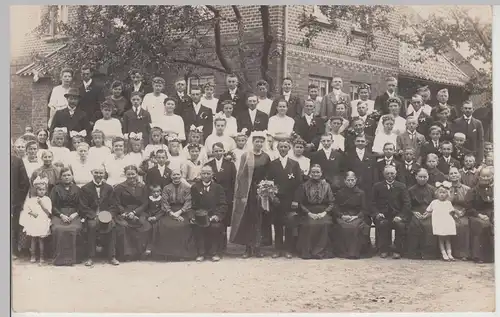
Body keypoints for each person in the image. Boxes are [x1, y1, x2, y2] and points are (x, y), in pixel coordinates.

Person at [230, 132, 271, 258]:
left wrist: (266, 189)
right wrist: (241, 194)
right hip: (248, 191)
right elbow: (241, 176)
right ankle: (247, 248)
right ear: (252, 142)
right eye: (256, 141)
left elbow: (268, 174)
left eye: (260, 142)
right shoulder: (246, 156)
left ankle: (258, 247)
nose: (258, 144)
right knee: (247, 219)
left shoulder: (266, 157)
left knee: (259, 219)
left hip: (261, 191)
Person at [266, 140, 302, 259]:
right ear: (277, 148)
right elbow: (268, 182)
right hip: (277, 199)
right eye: (281, 146)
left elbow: (298, 184)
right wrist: (272, 197)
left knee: (289, 224)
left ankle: (288, 249)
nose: (283, 149)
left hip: (290, 199)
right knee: (277, 224)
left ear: (289, 148)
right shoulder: (272, 164)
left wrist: (296, 200)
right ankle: (278, 249)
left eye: (285, 147)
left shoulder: (294, 164)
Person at [79, 164, 120, 266]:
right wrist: (93, 216)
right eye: (96, 172)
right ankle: (91, 257)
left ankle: (111, 256)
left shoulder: (109, 188)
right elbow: (83, 206)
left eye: (101, 173)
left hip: (106, 215)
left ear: (104, 174)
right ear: (92, 173)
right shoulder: (85, 188)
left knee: (112, 225)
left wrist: (108, 215)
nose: (98, 175)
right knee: (92, 226)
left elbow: (114, 205)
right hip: (92, 215)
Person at [152, 169, 197, 259]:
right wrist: (171, 213)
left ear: (181, 175)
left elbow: (188, 202)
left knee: (184, 225)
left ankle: (183, 254)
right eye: (174, 175)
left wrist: (180, 212)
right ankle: (166, 254)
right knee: (165, 225)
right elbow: (164, 202)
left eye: (178, 174)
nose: (176, 176)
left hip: (183, 211)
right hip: (169, 211)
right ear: (171, 176)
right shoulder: (166, 188)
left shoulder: (187, 188)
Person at [371, 165, 411, 259]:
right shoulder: (377, 186)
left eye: (392, 173)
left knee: (400, 225)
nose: (390, 175)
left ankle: (397, 250)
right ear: (383, 174)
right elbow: (372, 203)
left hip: (397, 215)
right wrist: (377, 213)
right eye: (387, 173)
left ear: (396, 174)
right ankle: (384, 249)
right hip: (383, 215)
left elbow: (407, 204)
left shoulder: (401, 186)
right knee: (382, 223)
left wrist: (401, 216)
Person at [296, 164, 335, 259]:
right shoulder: (304, 186)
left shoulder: (326, 185)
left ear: (321, 173)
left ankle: (321, 252)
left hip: (323, 211)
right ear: (310, 173)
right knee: (310, 224)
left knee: (325, 224)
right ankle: (308, 252)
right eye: (313, 172)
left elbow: (332, 202)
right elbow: (300, 203)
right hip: (308, 211)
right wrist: (309, 213)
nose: (315, 174)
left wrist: (324, 213)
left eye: (317, 172)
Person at [114, 165, 152, 261]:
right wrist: (125, 213)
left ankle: (141, 253)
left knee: (145, 226)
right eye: (128, 174)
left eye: (133, 174)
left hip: (139, 212)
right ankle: (127, 254)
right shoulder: (119, 187)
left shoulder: (143, 187)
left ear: (136, 174)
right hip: (123, 213)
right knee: (124, 227)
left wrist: (135, 212)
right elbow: (117, 203)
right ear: (125, 175)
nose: (131, 176)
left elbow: (145, 203)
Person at [191, 166, 228, 262]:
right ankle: (201, 253)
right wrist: (193, 216)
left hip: (213, 216)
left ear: (212, 175)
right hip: (200, 216)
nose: (206, 175)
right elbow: (192, 205)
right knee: (198, 227)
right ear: (200, 174)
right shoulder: (195, 187)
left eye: (208, 173)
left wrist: (217, 216)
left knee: (215, 227)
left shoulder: (218, 187)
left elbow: (223, 204)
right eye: (204, 173)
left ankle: (214, 253)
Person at [334, 171, 371, 259]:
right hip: (343, 215)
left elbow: (364, 208)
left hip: (357, 215)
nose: (350, 182)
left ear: (356, 180)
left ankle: (354, 253)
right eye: (348, 180)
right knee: (343, 227)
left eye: (352, 180)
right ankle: (344, 252)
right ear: (345, 181)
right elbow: (336, 207)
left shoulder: (361, 193)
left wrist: (356, 216)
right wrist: (342, 216)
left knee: (355, 227)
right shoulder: (340, 192)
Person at [50, 167, 83, 266]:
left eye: (69, 175)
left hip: (74, 214)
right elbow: (52, 205)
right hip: (59, 214)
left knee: (75, 228)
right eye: (64, 175)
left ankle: (74, 258)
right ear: (60, 177)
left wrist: (75, 214)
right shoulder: (55, 189)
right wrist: (61, 215)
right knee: (58, 229)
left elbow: (82, 205)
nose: (67, 177)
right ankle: (60, 259)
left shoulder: (78, 189)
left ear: (72, 176)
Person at [205, 142, 237, 233]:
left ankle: (223, 242)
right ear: (213, 152)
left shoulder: (230, 165)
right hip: (213, 195)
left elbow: (234, 181)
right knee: (214, 217)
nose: (218, 153)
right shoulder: (208, 165)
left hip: (227, 195)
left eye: (220, 151)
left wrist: (233, 196)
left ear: (223, 151)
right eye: (216, 151)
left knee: (225, 218)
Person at [406, 169, 437, 259]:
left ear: (428, 177)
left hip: (429, 212)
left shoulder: (432, 189)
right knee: (415, 224)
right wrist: (413, 212)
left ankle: (428, 253)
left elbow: (436, 203)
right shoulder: (411, 190)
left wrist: (430, 213)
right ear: (416, 177)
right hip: (415, 212)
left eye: (425, 177)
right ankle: (414, 252)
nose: (422, 179)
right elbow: (408, 205)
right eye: (420, 177)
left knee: (429, 225)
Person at [20, 176, 52, 264]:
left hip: (43, 220)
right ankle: (33, 255)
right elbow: (26, 209)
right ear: (36, 190)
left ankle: (42, 256)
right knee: (33, 239)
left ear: (46, 190)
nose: (41, 191)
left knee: (41, 239)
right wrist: (32, 213)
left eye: (43, 189)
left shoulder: (47, 199)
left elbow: (48, 212)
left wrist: (41, 204)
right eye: (39, 190)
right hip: (34, 221)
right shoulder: (31, 199)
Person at [465, 166, 494, 263]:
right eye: (483, 176)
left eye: (488, 176)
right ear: (479, 177)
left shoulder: (494, 190)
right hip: (475, 215)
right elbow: (469, 208)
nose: (485, 178)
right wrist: (479, 215)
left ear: (491, 177)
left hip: (491, 214)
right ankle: (480, 256)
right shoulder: (472, 191)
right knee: (483, 225)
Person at [427, 181, 457, 261]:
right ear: (437, 193)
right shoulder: (434, 202)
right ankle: (443, 253)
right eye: (440, 192)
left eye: (444, 192)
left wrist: (455, 215)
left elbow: (452, 212)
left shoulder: (448, 203)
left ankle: (449, 253)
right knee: (441, 238)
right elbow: (428, 211)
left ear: (447, 194)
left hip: (447, 222)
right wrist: (425, 215)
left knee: (448, 238)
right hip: (439, 222)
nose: (442, 194)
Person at [448, 167, 471, 260]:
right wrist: (453, 211)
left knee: (464, 224)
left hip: (463, 212)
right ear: (448, 177)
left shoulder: (467, 189)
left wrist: (462, 212)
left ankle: (463, 253)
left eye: (455, 173)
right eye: (451, 174)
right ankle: (450, 252)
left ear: (459, 175)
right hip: (449, 211)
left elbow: (469, 203)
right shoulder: (446, 188)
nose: (454, 175)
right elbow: (443, 202)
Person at [345, 134, 376, 204]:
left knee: (367, 202)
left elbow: (374, 172)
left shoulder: (371, 156)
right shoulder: (349, 155)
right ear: (354, 142)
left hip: (368, 184)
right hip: (354, 184)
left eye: (362, 141)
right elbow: (346, 170)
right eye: (358, 141)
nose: (360, 143)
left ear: (366, 143)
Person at [11, 154, 30, 259]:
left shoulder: (17, 161)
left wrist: (18, 200)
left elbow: (25, 183)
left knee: (13, 226)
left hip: (13, 200)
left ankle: (13, 250)